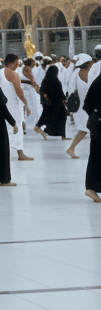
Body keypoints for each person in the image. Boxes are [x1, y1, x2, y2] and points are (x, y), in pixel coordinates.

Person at [0, 54, 33, 163]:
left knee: (4, 129)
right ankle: (20, 153)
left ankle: (4, 153)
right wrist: (26, 104)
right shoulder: (14, 74)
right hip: (13, 105)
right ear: (13, 63)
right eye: (17, 63)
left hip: (1, 105)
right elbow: (19, 91)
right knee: (17, 127)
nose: (18, 66)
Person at [66, 54, 94, 159]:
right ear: (88, 63)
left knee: (87, 129)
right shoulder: (77, 73)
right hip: (82, 107)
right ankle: (71, 148)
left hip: (89, 106)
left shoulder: (89, 73)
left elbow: (71, 89)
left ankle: (72, 148)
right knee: (84, 129)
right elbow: (71, 90)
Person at [82, 73, 101, 202]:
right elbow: (88, 104)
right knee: (96, 154)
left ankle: (91, 188)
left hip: (96, 122)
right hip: (98, 123)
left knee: (97, 154)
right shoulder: (99, 83)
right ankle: (90, 188)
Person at [36, 64, 67, 140]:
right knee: (62, 117)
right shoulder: (55, 80)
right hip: (56, 103)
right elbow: (59, 91)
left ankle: (41, 127)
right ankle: (62, 136)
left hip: (49, 103)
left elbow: (42, 91)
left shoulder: (45, 80)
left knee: (48, 116)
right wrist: (64, 98)